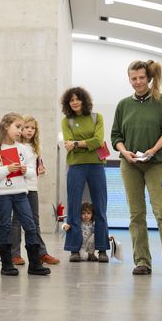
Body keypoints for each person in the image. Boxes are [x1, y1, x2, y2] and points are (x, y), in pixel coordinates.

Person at [111, 60, 162, 275]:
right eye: (133, 78)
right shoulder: (123, 105)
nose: (138, 82)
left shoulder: (161, 100)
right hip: (130, 164)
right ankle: (142, 262)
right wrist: (124, 151)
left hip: (156, 163)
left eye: (141, 78)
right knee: (136, 214)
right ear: (129, 79)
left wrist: (153, 149)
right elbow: (116, 136)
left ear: (148, 78)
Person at [0, 112, 50, 276]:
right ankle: (7, 265)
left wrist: (27, 171)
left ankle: (34, 264)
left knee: (30, 225)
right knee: (5, 226)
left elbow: (33, 172)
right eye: (17, 127)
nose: (20, 131)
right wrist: (7, 169)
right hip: (2, 195)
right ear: (6, 126)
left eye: (21, 127)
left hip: (21, 193)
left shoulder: (22, 149)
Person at [61, 87, 110, 263]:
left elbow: (99, 140)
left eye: (77, 99)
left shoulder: (97, 117)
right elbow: (68, 143)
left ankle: (102, 249)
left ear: (84, 100)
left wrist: (76, 143)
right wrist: (83, 143)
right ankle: (74, 249)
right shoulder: (67, 120)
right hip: (75, 166)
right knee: (73, 207)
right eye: (71, 100)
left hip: (96, 165)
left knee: (101, 207)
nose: (74, 102)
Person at [10, 115, 60, 265]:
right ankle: (14, 254)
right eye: (26, 127)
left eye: (33, 128)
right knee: (17, 222)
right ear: (20, 129)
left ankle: (40, 253)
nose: (30, 130)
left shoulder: (36, 148)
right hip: (18, 187)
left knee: (34, 222)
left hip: (32, 187)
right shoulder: (14, 146)